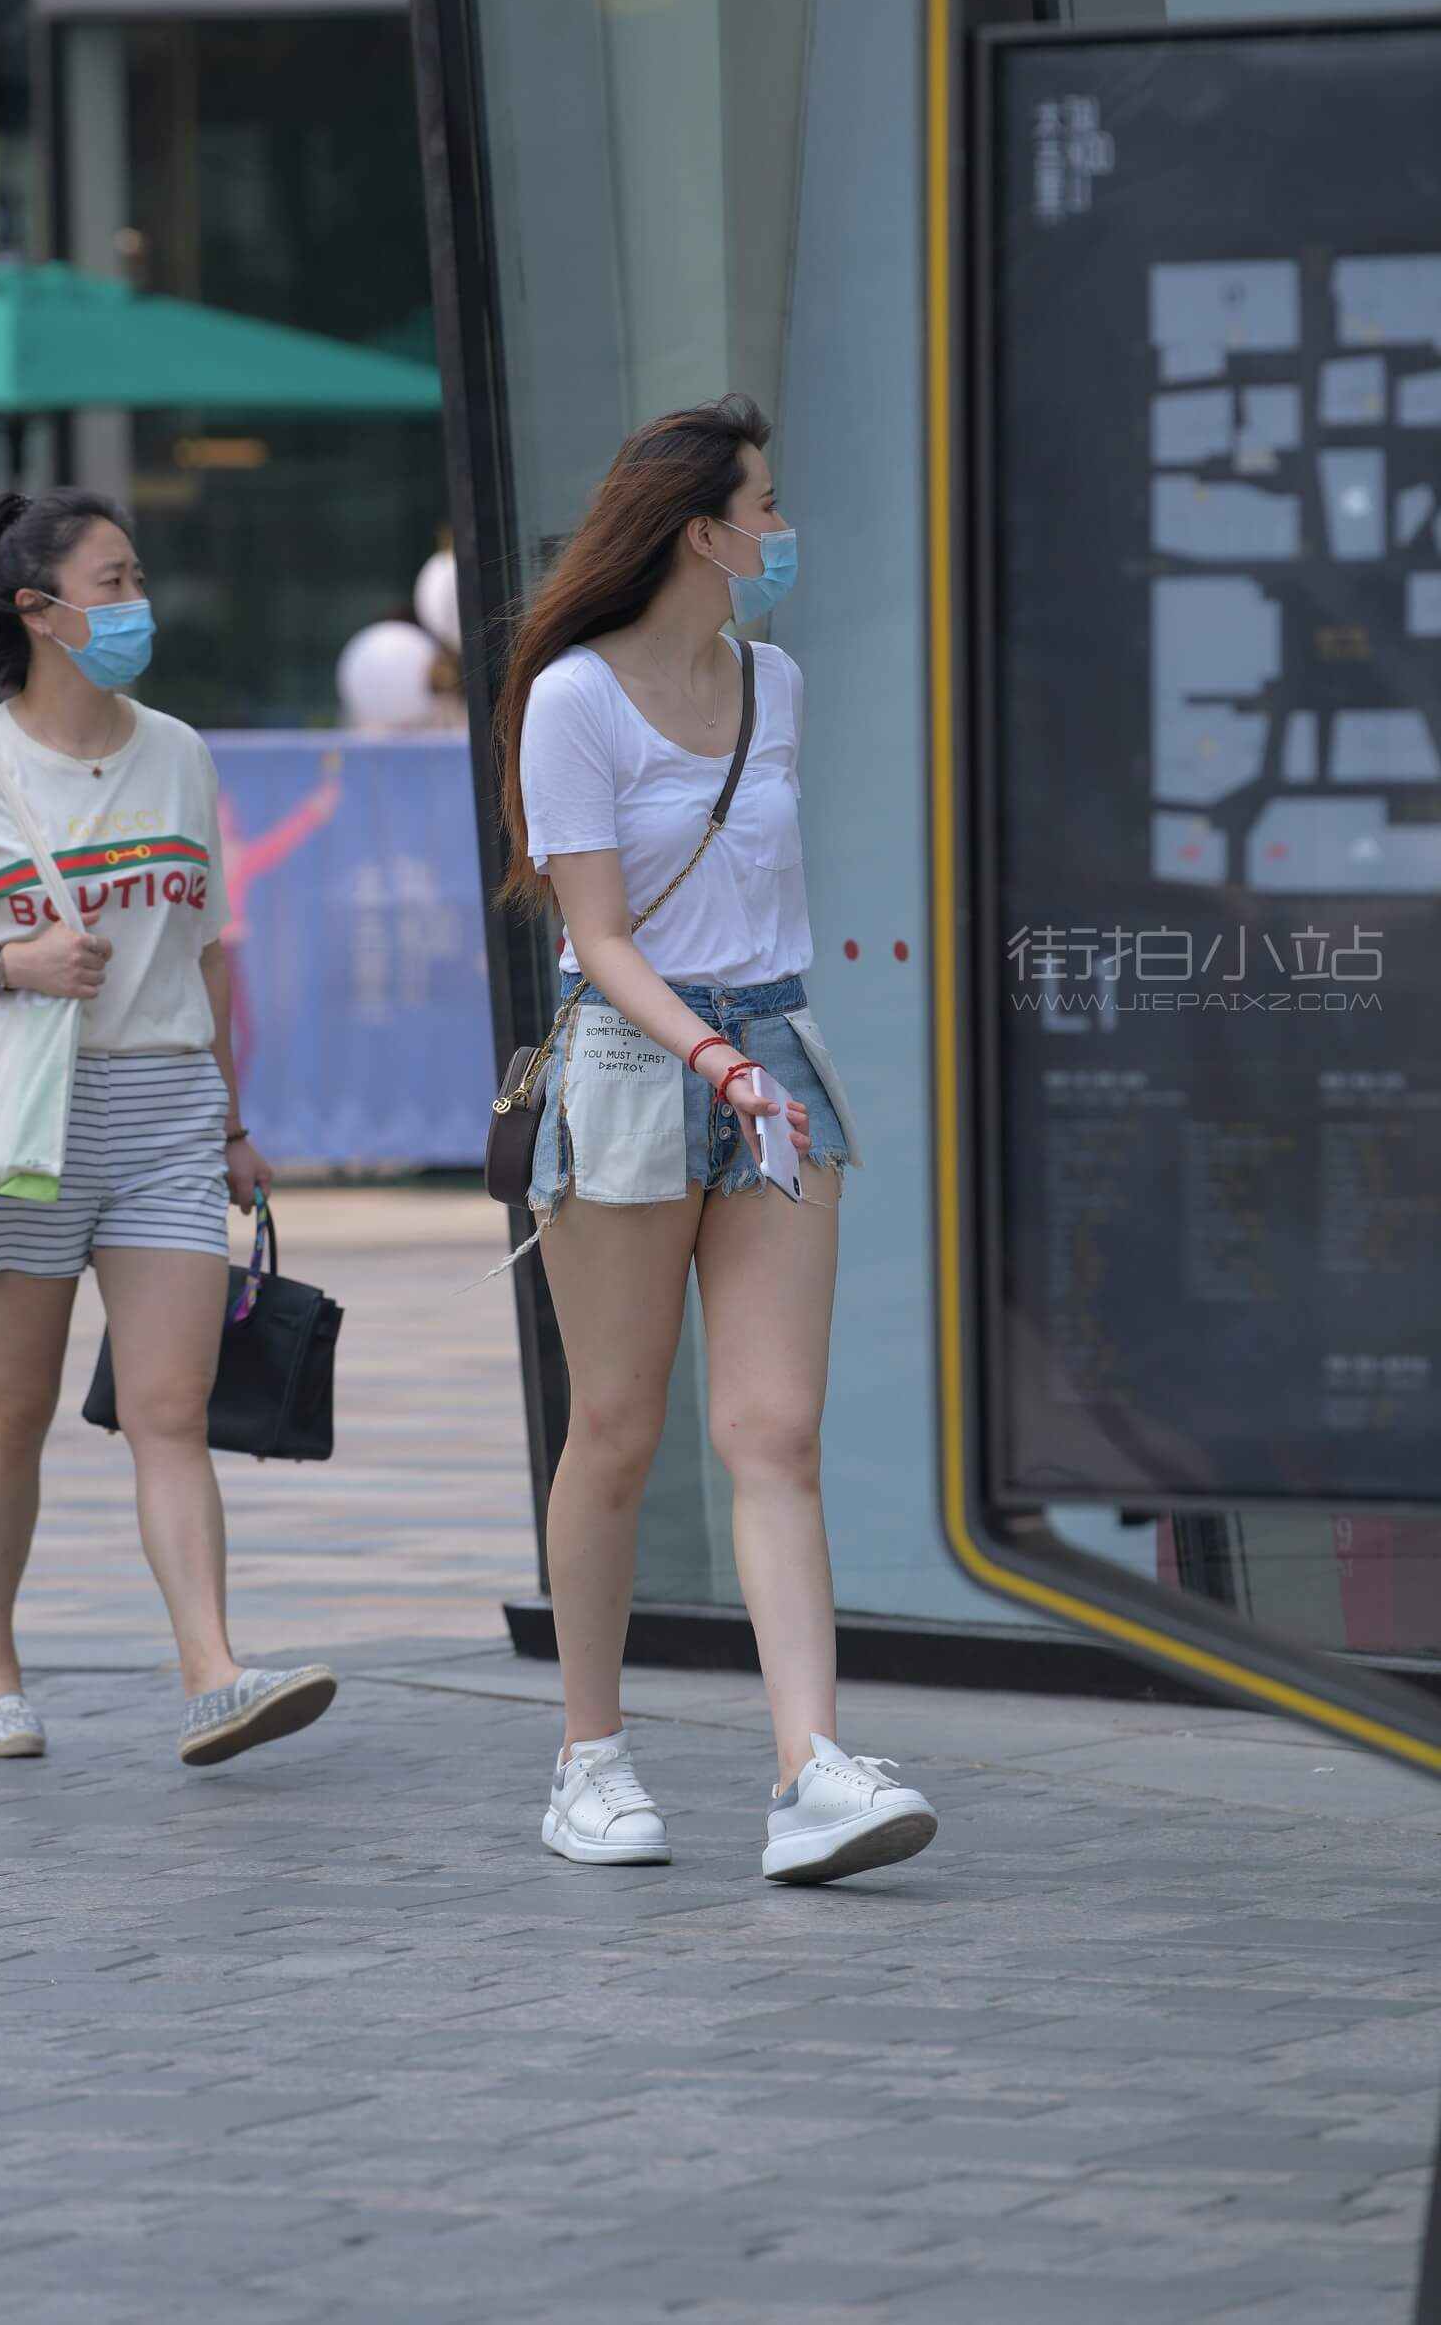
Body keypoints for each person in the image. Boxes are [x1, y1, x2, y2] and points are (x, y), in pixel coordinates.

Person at [498, 395, 939, 1885]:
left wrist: (750, 1060)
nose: (783, 528)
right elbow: (600, 931)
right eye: (767, 504)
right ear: (703, 533)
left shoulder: (775, 683)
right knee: (617, 1429)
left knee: (775, 1432)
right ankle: (589, 1760)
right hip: (636, 1059)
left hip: (774, 1047)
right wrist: (709, 1058)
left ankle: (811, 1768)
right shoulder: (574, 698)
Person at [0, 488, 337, 1767]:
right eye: (113, 582)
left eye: (137, 578)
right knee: (12, 1408)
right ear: (40, 610)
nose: (137, 604)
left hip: (167, 1106)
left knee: (171, 1408)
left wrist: (232, 1124)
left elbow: (207, 951)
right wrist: (7, 963)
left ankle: (213, 1674)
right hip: (26, 1117)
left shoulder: (178, 752)